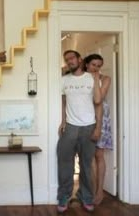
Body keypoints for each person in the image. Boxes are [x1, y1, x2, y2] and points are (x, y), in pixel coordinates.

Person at [57, 50, 102, 213]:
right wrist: (63, 121)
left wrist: (98, 128)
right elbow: (63, 102)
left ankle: (86, 197)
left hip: (89, 127)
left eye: (71, 58)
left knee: (87, 166)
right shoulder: (63, 80)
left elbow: (98, 102)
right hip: (70, 126)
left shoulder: (91, 78)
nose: (69, 61)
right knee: (64, 164)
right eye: (66, 59)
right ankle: (64, 196)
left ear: (79, 59)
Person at [83, 54, 113, 205]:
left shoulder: (105, 79)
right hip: (84, 118)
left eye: (99, 65)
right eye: (93, 64)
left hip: (101, 118)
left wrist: (95, 80)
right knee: (86, 158)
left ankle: (99, 191)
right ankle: (88, 190)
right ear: (86, 64)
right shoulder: (79, 78)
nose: (96, 68)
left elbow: (99, 99)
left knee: (99, 155)